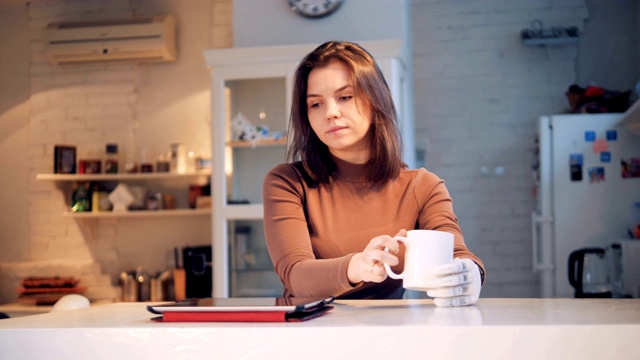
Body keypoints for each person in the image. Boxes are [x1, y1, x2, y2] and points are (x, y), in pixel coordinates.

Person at [262, 41, 485, 307]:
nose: (330, 113)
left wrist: (470, 273)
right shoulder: (288, 182)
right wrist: (357, 265)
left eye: (345, 97)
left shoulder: (423, 186)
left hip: (385, 333)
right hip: (306, 332)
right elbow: (295, 274)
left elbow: (457, 255)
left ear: (375, 99)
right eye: (315, 104)